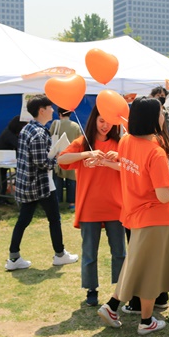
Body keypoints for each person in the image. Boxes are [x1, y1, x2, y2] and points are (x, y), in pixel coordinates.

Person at [98, 96, 169, 334]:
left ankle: (112, 306)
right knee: (149, 271)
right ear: (153, 118)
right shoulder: (155, 152)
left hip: (135, 214)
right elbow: (163, 195)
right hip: (155, 218)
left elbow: (129, 168)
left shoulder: (127, 141)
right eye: (161, 112)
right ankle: (146, 321)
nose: (164, 116)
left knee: (136, 265)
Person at [57, 106, 125, 307]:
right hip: (89, 207)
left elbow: (130, 168)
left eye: (109, 121)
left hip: (116, 206)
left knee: (120, 252)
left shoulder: (120, 144)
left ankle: (121, 289)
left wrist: (113, 159)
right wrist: (86, 155)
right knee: (89, 253)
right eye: (101, 120)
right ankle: (91, 290)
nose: (105, 125)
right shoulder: (81, 143)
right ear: (94, 119)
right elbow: (61, 159)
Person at [5, 95, 78, 271]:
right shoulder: (38, 133)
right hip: (41, 184)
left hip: (28, 183)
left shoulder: (27, 129)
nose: (53, 110)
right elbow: (42, 163)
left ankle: (14, 257)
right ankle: (59, 255)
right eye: (50, 107)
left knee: (24, 220)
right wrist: (58, 158)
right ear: (41, 110)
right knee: (54, 219)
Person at [0, 115, 27, 209]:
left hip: (1, 162)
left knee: (2, 182)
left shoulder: (9, 133)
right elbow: (19, 146)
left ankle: (1, 200)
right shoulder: (9, 135)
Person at [50, 108, 82, 209]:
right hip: (71, 155)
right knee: (72, 179)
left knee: (57, 177)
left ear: (59, 114)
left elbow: (50, 137)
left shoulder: (56, 123)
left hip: (58, 154)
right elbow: (80, 140)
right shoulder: (75, 126)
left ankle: (57, 201)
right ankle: (72, 203)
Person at [150, 86, 169, 172]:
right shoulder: (148, 112)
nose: (161, 97)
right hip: (153, 147)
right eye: (158, 95)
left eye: (162, 95)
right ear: (153, 96)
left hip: (166, 148)